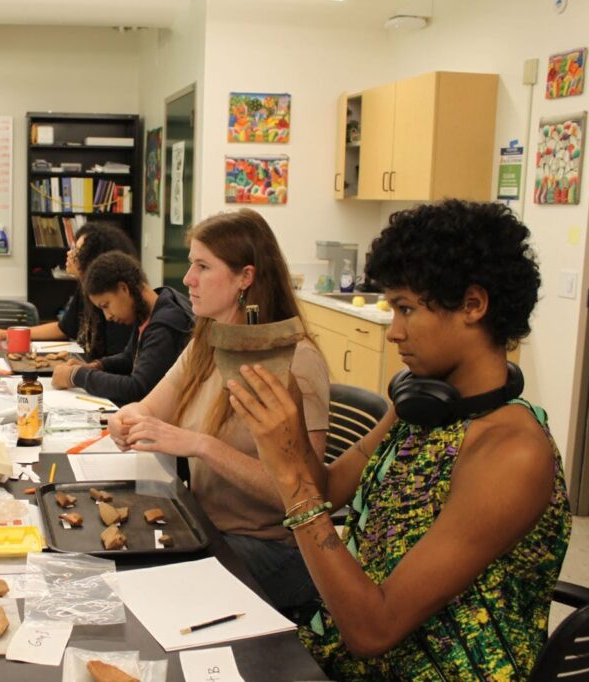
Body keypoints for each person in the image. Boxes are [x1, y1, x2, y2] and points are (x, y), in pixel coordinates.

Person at [227, 200, 571, 680]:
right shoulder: (421, 407)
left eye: (406, 309)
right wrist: (290, 418)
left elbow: (373, 631)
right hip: (345, 654)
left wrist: (288, 478)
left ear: (473, 305)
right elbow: (327, 489)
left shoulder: (513, 454)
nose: (394, 333)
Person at [107, 208, 330, 619]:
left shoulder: (297, 361)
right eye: (191, 264)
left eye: (203, 267)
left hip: (270, 548)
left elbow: (306, 494)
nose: (188, 279)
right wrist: (125, 419)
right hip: (203, 523)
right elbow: (149, 406)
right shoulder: (206, 340)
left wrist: (201, 446)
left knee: (142, 593)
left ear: (245, 277)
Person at [0, 223, 137, 359]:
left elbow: (117, 364)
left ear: (95, 259)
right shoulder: (85, 290)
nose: (69, 253)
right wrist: (5, 334)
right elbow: (63, 328)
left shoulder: (116, 306)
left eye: (76, 251)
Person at [51, 251, 193, 405]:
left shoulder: (166, 324)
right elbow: (130, 357)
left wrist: (76, 376)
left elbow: (137, 388)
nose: (107, 316)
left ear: (124, 288)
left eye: (106, 305)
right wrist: (97, 366)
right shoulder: (150, 310)